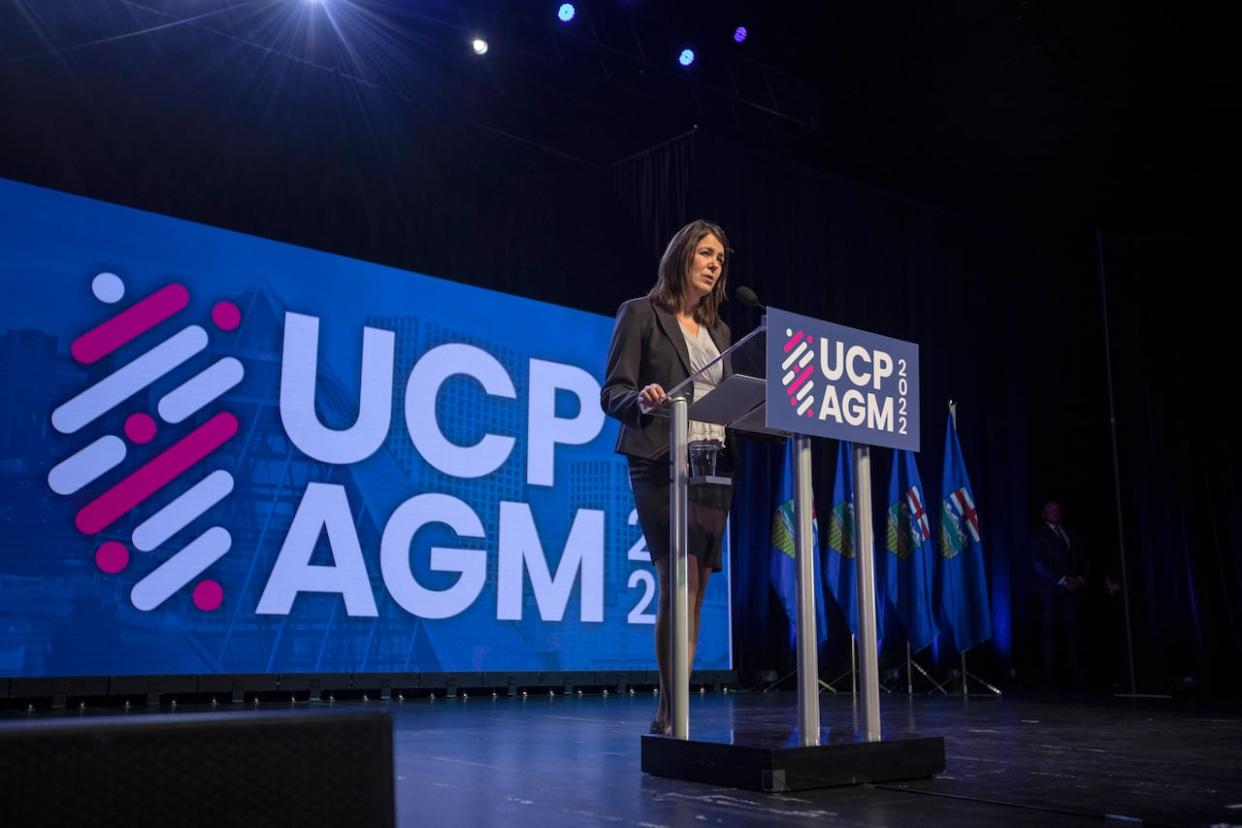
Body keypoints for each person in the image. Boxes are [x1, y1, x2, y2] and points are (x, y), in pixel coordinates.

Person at [601, 219, 734, 736]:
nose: (713, 264)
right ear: (682, 254)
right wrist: (641, 399)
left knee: (697, 586)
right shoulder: (640, 314)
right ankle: (669, 711)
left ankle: (675, 703)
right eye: (705, 253)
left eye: (720, 259)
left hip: (713, 464)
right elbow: (612, 391)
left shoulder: (721, 332)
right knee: (676, 579)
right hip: (660, 458)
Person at [1030, 499, 1089, 690]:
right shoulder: (1037, 535)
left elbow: (1082, 559)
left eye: (1057, 509)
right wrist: (1062, 580)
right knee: (1050, 634)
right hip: (1050, 591)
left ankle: (1076, 677)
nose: (1055, 512)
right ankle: (1051, 679)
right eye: (1050, 509)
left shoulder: (1071, 534)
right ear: (1044, 514)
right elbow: (1037, 563)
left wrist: (1079, 579)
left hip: (1073, 591)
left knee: (1074, 633)